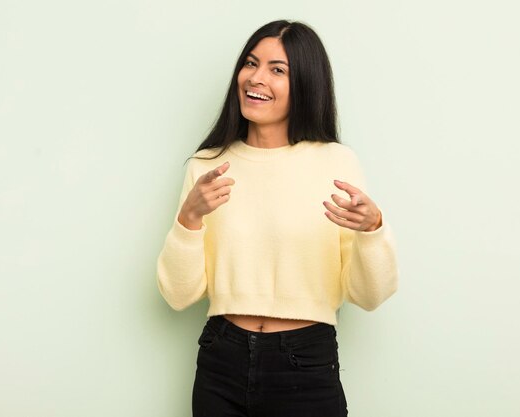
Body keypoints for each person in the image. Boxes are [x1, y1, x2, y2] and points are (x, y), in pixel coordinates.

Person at [156, 19, 399, 417]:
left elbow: (368, 297)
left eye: (277, 69)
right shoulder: (208, 166)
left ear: (305, 83)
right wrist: (188, 220)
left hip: (306, 362)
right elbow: (178, 295)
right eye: (251, 63)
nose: (256, 78)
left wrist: (373, 229)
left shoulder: (336, 163)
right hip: (221, 360)